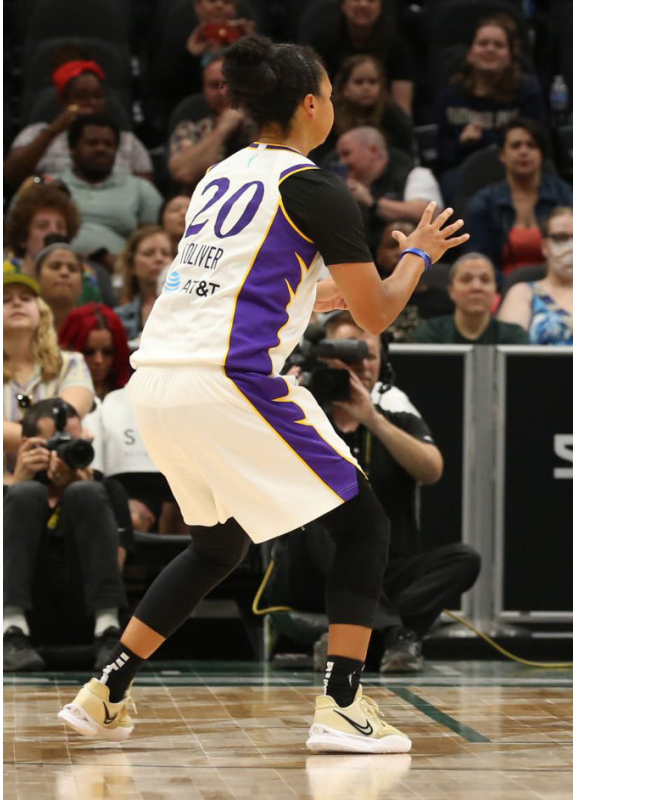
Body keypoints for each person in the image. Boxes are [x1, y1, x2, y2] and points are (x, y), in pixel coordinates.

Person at [57, 33, 468, 753]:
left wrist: (367, 282)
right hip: (230, 378)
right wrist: (417, 257)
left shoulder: (222, 175)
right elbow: (376, 313)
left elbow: (276, 288)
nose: (333, 106)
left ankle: (106, 689)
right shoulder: (314, 186)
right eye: (331, 95)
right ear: (311, 105)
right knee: (364, 526)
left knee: (217, 546)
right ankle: (343, 704)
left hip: (157, 380)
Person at [270, 311, 480, 672]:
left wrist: (372, 419)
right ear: (325, 357)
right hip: (315, 572)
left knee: (464, 559)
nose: (361, 365)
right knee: (325, 521)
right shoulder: (303, 412)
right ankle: (395, 634)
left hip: (386, 569)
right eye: (348, 354)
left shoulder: (393, 414)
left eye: (369, 355)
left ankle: (375, 635)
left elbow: (431, 470)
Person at [3, 399, 129, 673]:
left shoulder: (107, 491)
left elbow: (116, 567)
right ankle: (10, 630)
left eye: (71, 443)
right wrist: (16, 485)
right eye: (53, 445)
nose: (61, 453)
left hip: (87, 611)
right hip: (29, 613)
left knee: (85, 492)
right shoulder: (8, 495)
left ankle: (108, 629)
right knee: (25, 493)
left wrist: (89, 493)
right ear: (26, 445)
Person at [4, 54, 153, 185]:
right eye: (82, 96)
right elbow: (10, 175)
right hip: (53, 200)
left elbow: (144, 190)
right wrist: (52, 132)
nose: (92, 103)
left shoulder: (128, 141)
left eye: (98, 96)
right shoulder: (36, 132)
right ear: (64, 100)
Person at [3, 270, 95, 480]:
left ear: (41, 312)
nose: (16, 303)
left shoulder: (71, 363)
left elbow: (68, 417)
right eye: (5, 300)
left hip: (61, 479)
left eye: (26, 298)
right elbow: (64, 430)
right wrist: (62, 438)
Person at [433, 13, 547, 176]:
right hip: (462, 171)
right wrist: (462, 143)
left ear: (510, 56)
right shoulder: (450, 94)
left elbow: (537, 144)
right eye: (483, 43)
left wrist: (482, 139)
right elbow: (440, 150)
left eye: (499, 45)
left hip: (514, 171)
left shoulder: (527, 92)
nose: (490, 49)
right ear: (469, 53)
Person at [464, 118, 573, 277]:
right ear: (502, 154)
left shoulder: (564, 195)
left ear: (541, 154)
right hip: (501, 288)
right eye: (516, 145)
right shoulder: (484, 203)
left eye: (531, 145)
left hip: (561, 284)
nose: (523, 151)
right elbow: (479, 262)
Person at [56, 114, 163, 267]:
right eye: (92, 143)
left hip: (119, 272)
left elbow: (154, 243)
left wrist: (122, 263)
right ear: (72, 148)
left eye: (108, 144)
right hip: (56, 268)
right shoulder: (51, 186)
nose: (101, 149)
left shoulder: (141, 189)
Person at [335, 126, 443, 252]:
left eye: (346, 154)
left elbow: (429, 213)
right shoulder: (340, 184)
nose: (341, 162)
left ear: (373, 150)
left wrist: (372, 203)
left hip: (410, 255)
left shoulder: (415, 175)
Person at [303, 0, 415, 115]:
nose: (363, 4)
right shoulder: (322, 44)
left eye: (371, 0)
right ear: (343, 4)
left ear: (380, 6)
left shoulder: (397, 47)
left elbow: (403, 107)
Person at [168, 54, 255, 189]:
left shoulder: (265, 123)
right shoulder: (191, 128)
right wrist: (222, 130)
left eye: (229, 84)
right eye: (214, 86)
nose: (223, 93)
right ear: (204, 90)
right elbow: (183, 173)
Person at [152, 0, 257, 109]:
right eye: (212, 1)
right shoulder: (182, 32)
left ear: (235, 8)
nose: (219, 6)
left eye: (227, 2)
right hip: (191, 105)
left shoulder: (245, 36)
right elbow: (163, 86)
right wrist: (189, 54)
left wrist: (251, 49)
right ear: (197, 6)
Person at [311, 54, 414, 162]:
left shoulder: (394, 116)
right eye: (359, 82)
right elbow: (320, 159)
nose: (366, 88)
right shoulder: (328, 117)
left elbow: (405, 159)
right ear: (344, 87)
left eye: (372, 82)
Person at [411, 253, 527, 344]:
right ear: (451, 291)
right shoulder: (430, 333)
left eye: (485, 280)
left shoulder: (514, 336)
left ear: (495, 290)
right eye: (466, 279)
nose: (476, 287)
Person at [498, 207, 573, 345]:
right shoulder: (523, 293)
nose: (571, 246)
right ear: (545, 246)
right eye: (561, 238)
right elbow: (508, 350)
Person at [376, 220, 454, 342]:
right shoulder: (368, 295)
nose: (400, 252)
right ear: (379, 254)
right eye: (392, 245)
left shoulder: (444, 301)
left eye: (411, 247)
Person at [4, 183, 81, 278]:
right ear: (23, 238)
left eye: (60, 226)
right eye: (42, 226)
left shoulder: (82, 276)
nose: (54, 231)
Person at [59, 304, 133, 399]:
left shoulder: (130, 394)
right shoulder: (56, 393)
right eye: (89, 352)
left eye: (107, 352)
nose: (98, 360)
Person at [114, 225, 175, 340]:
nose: (159, 259)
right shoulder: (118, 318)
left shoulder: (188, 311)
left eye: (165, 253)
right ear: (132, 264)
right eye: (148, 253)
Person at [34, 241, 85, 332]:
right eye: (55, 267)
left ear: (81, 285)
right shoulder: (19, 324)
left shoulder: (91, 329)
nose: (64, 272)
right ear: (38, 278)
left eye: (72, 269)